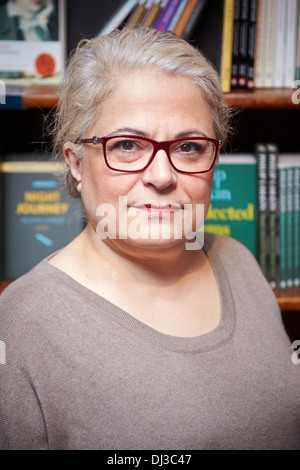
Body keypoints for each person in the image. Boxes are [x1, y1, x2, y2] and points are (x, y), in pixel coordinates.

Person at [0, 26, 299, 451]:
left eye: (189, 148)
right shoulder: (18, 327)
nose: (161, 176)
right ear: (77, 162)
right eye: (127, 145)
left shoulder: (239, 261)